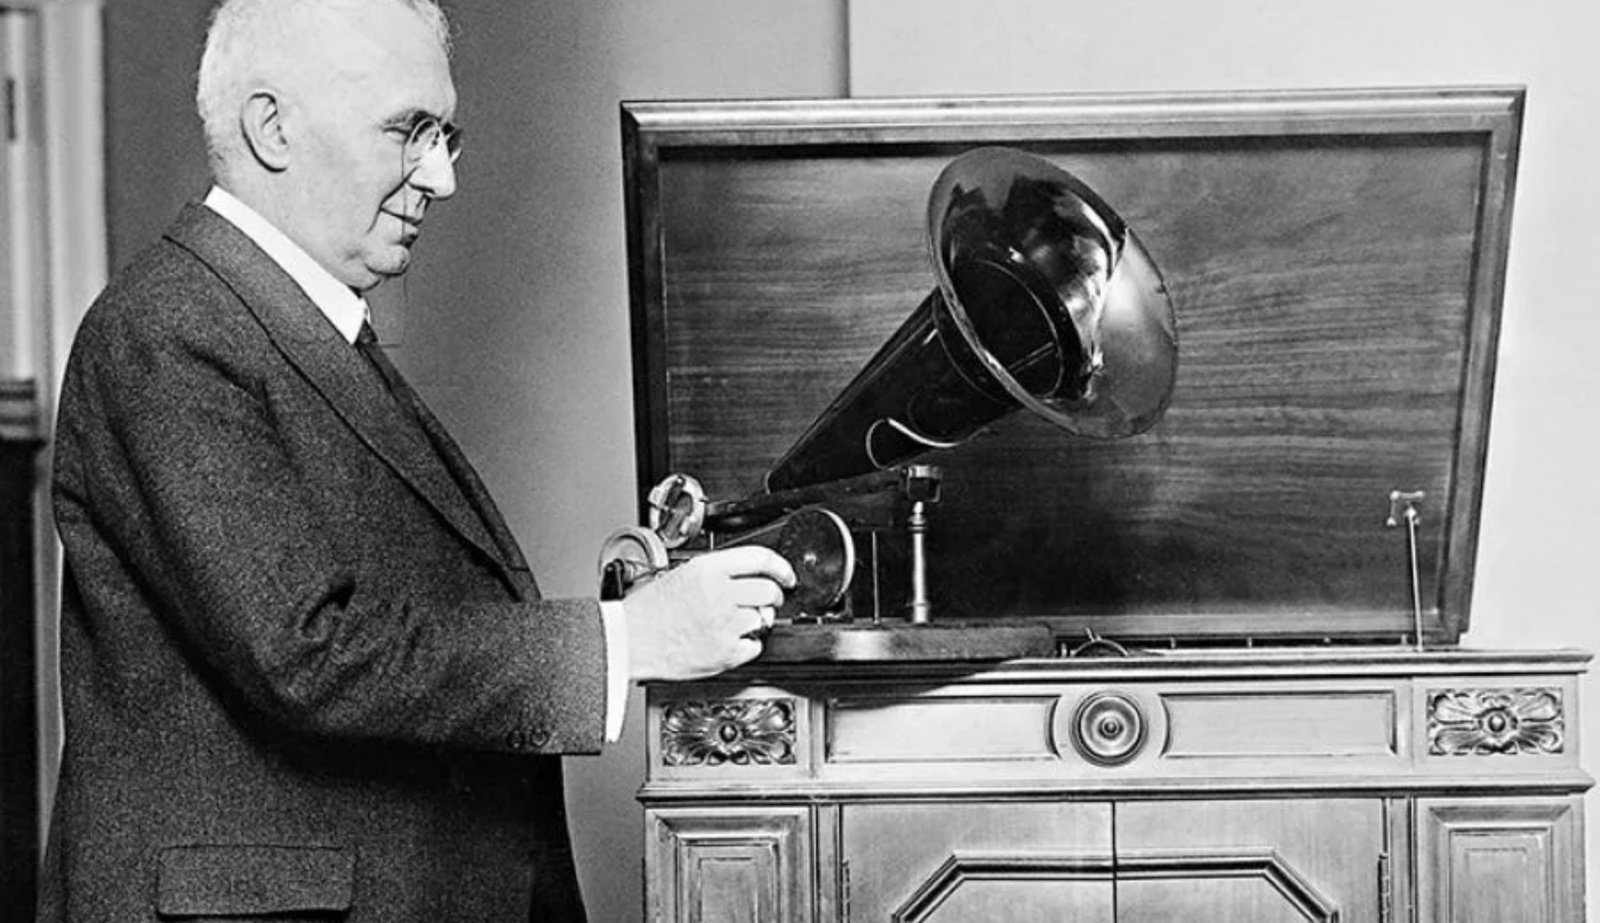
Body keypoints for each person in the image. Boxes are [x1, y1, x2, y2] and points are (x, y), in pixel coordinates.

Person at [38, 0, 794, 920]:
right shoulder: (165, 330)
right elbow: (310, 652)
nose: (441, 176)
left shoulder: (285, 325)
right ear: (273, 128)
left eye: (445, 136)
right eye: (409, 131)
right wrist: (628, 640)